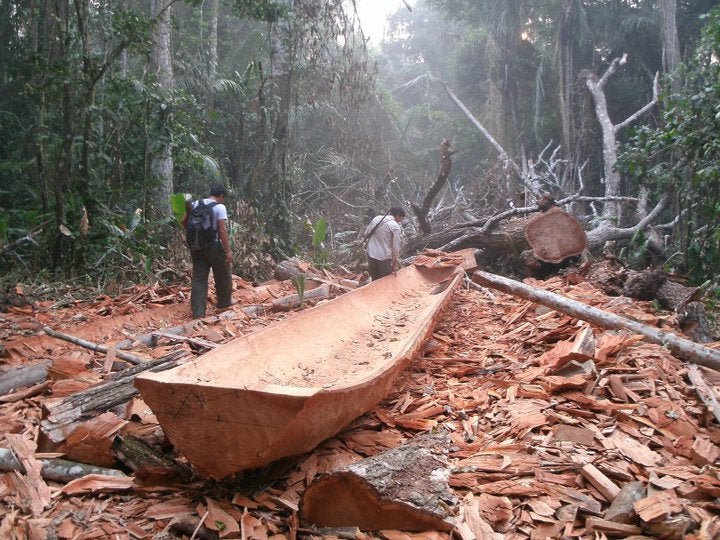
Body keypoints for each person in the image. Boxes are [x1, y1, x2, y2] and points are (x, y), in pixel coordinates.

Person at [183, 185, 233, 318]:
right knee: (222, 273)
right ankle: (224, 304)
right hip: (213, 246)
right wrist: (228, 250)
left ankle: (198, 313)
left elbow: (184, 221)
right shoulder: (219, 207)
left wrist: (195, 236)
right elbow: (222, 230)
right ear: (221, 195)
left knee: (199, 278)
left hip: (196, 247)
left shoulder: (194, 204)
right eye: (223, 198)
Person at [364, 207, 405, 281]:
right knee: (385, 282)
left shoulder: (376, 218)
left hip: (371, 253)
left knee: (374, 280)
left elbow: (366, 233)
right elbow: (395, 247)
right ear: (398, 215)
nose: (400, 221)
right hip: (384, 257)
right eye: (401, 218)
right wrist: (395, 262)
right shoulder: (395, 227)